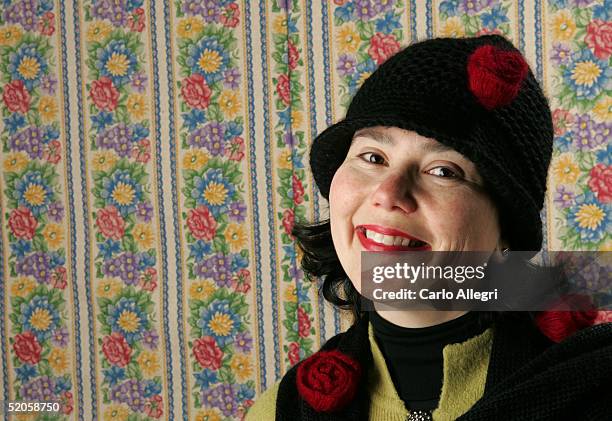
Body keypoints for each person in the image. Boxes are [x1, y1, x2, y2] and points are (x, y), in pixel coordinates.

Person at [245, 35, 612, 421]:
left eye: (443, 171)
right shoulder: (280, 412)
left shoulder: (595, 392)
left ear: (506, 228)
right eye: (373, 156)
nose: (388, 194)